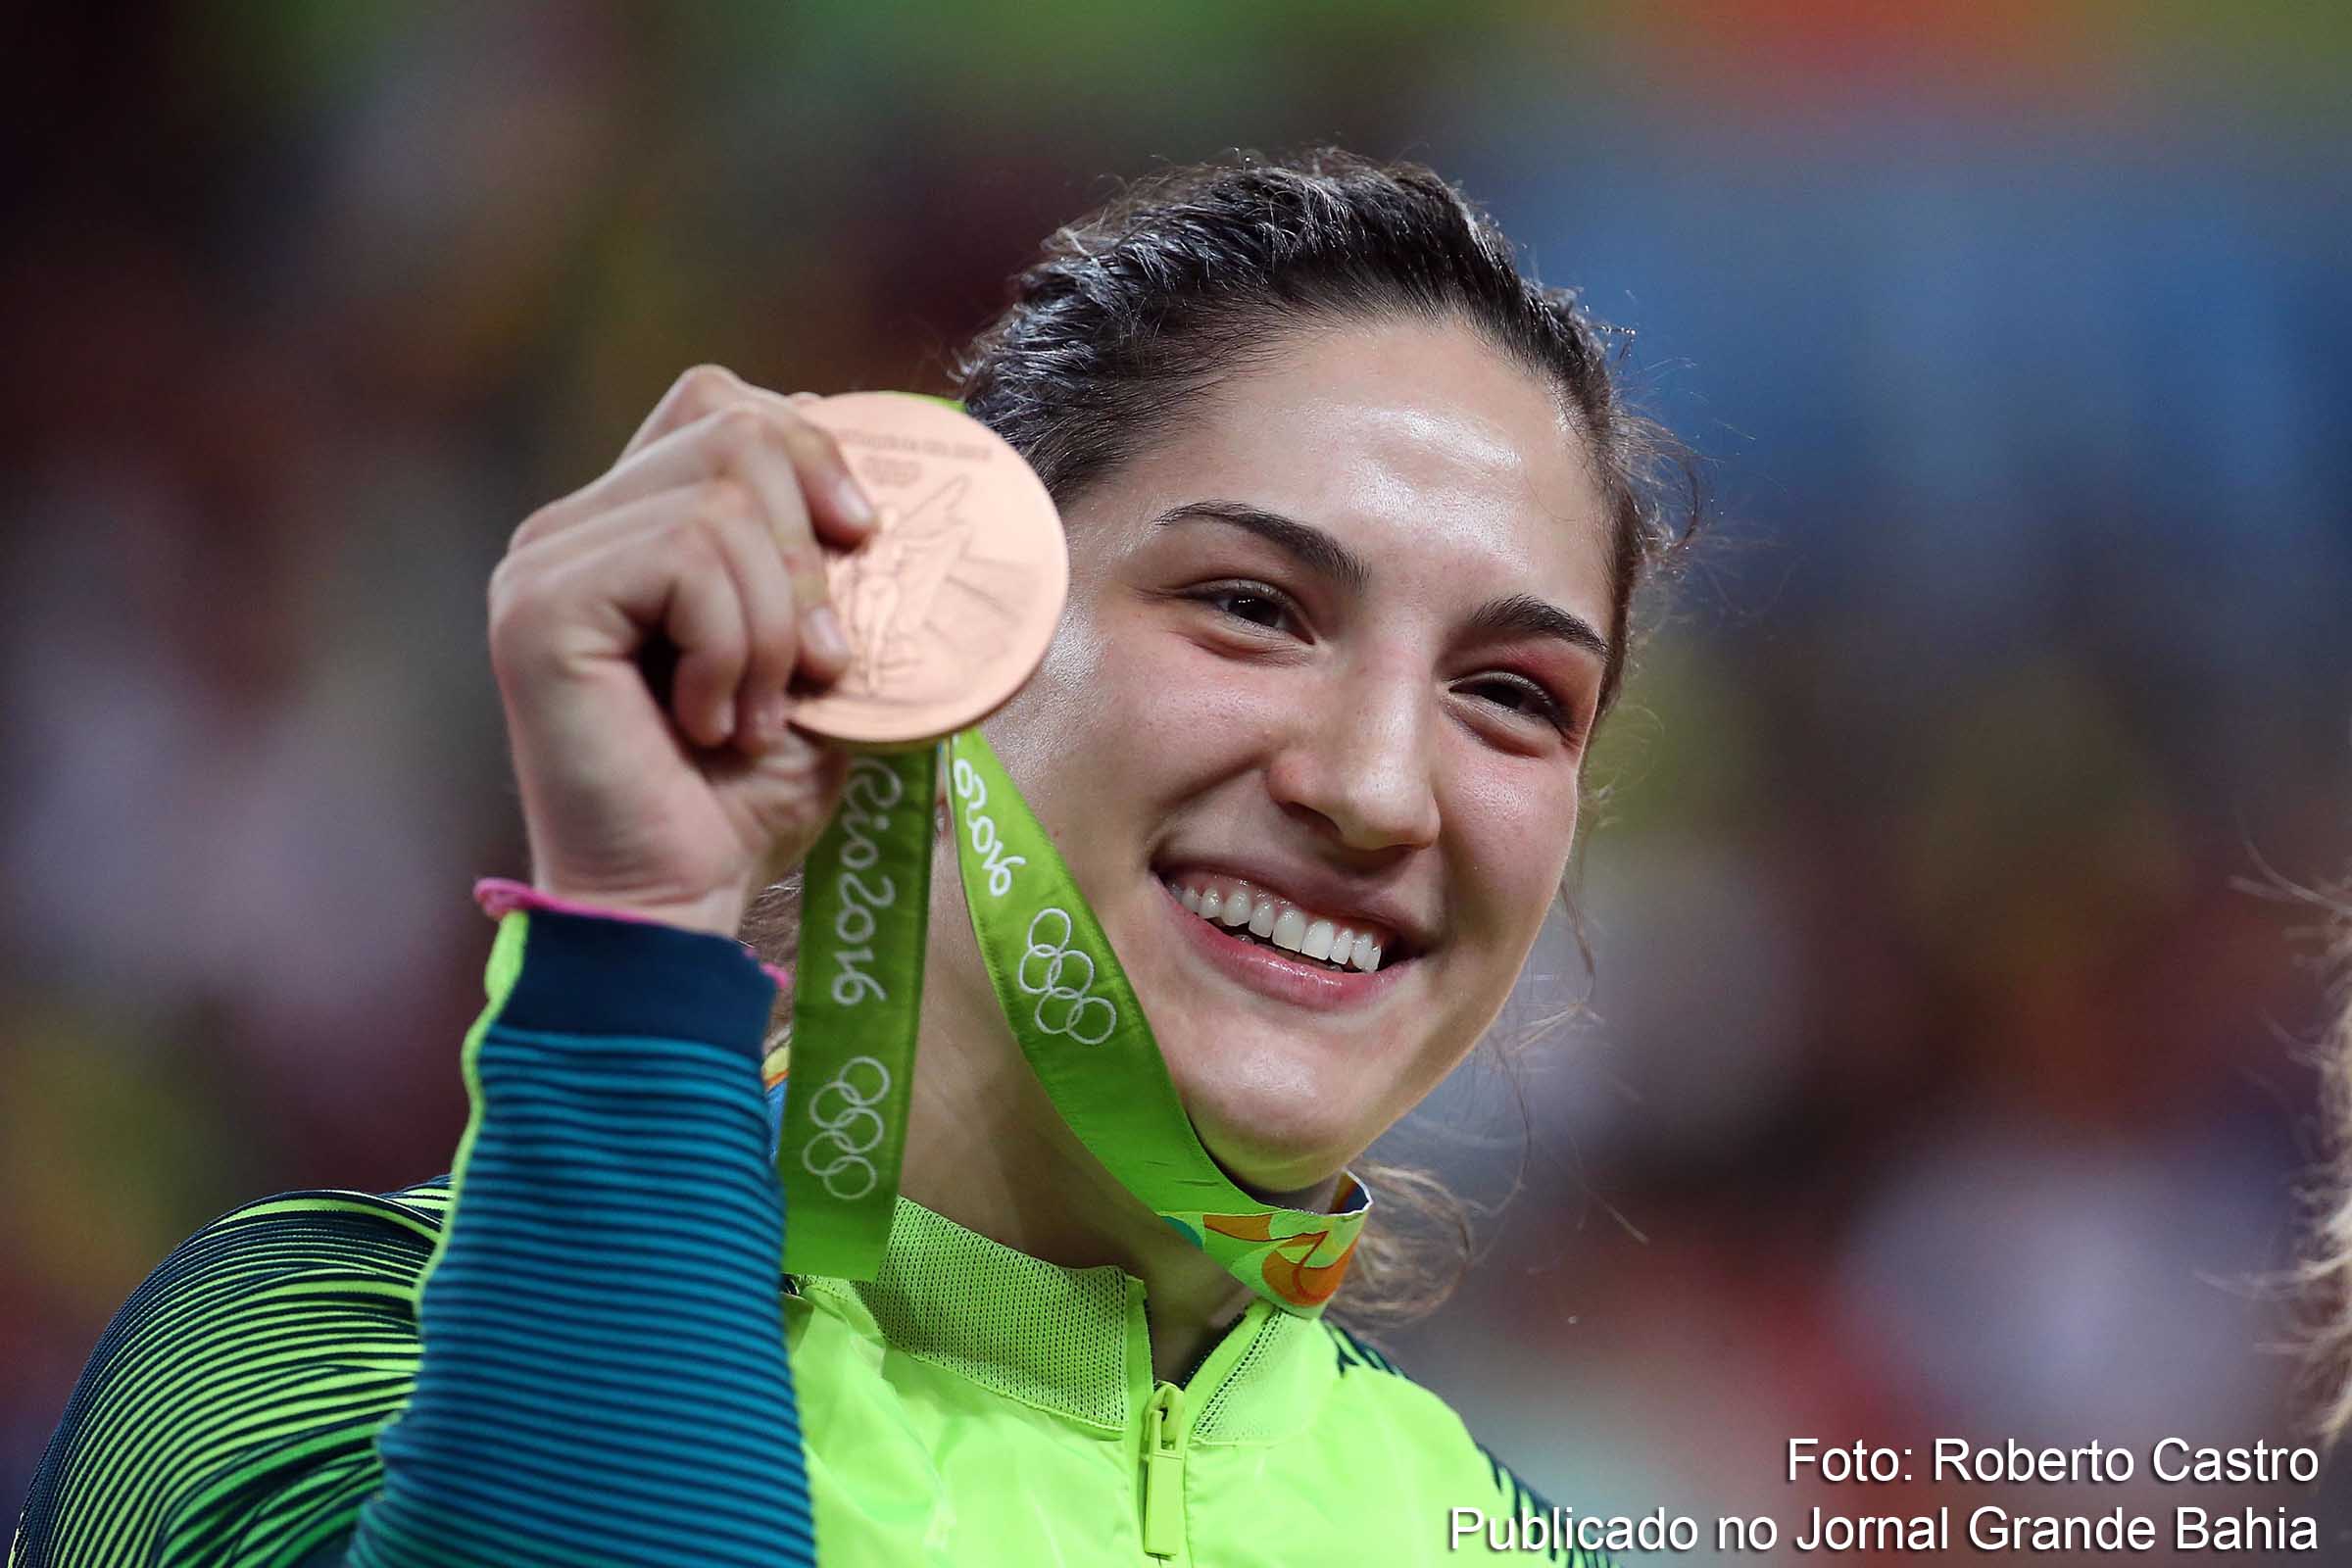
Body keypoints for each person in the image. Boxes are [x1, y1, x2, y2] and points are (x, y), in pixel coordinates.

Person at [9, 149, 1693, 1566]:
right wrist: (637, 931)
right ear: (932, 631)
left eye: (1510, 696)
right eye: (1253, 608)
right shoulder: (320, 1365)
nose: (1382, 788)